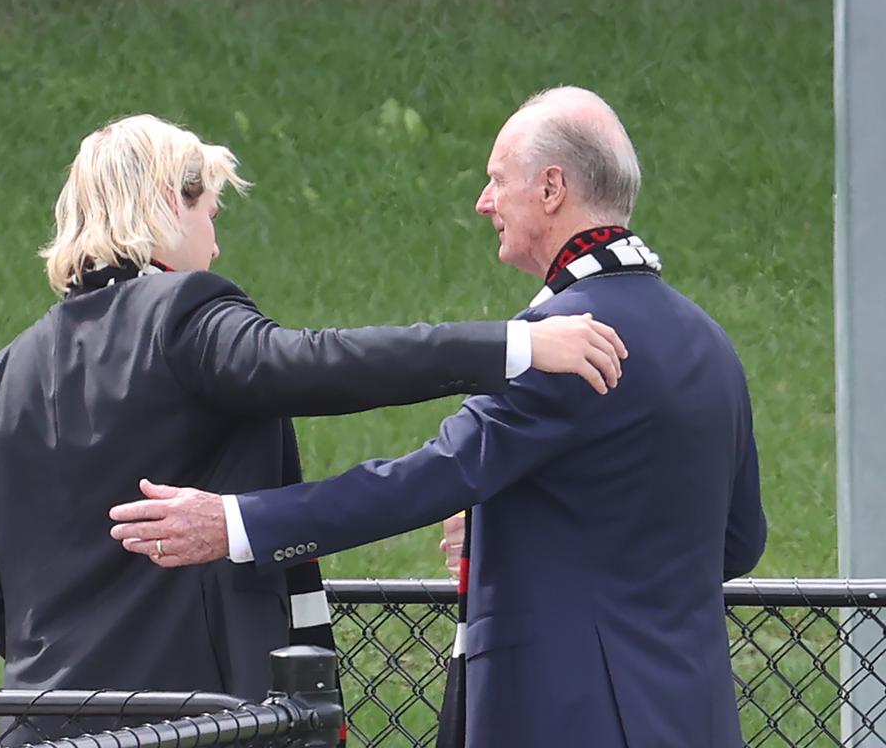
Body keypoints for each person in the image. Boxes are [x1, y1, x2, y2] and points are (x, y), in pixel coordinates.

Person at [109, 88, 767, 748]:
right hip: (696, 714)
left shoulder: (563, 340)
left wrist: (236, 523)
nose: (484, 202)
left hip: (571, 714)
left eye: (495, 180)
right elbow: (737, 540)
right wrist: (516, 527)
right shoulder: (710, 341)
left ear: (551, 189)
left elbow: (429, 478)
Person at [0, 113, 628, 745]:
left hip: (46, 724)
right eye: (210, 211)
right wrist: (515, 347)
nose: (215, 240)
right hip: (196, 722)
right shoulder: (184, 313)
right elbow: (315, 362)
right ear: (169, 206)